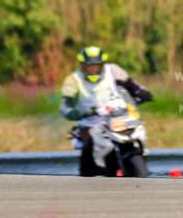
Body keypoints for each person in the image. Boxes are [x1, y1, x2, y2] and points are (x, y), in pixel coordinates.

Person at [59, 46, 152, 175]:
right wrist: (77, 112)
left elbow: (130, 84)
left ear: (102, 65)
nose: (92, 69)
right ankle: (87, 176)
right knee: (88, 144)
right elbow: (65, 106)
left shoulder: (113, 71)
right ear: (82, 65)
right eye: (88, 66)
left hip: (117, 116)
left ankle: (140, 159)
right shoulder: (73, 80)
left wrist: (141, 92)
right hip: (91, 122)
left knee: (136, 130)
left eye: (96, 65)